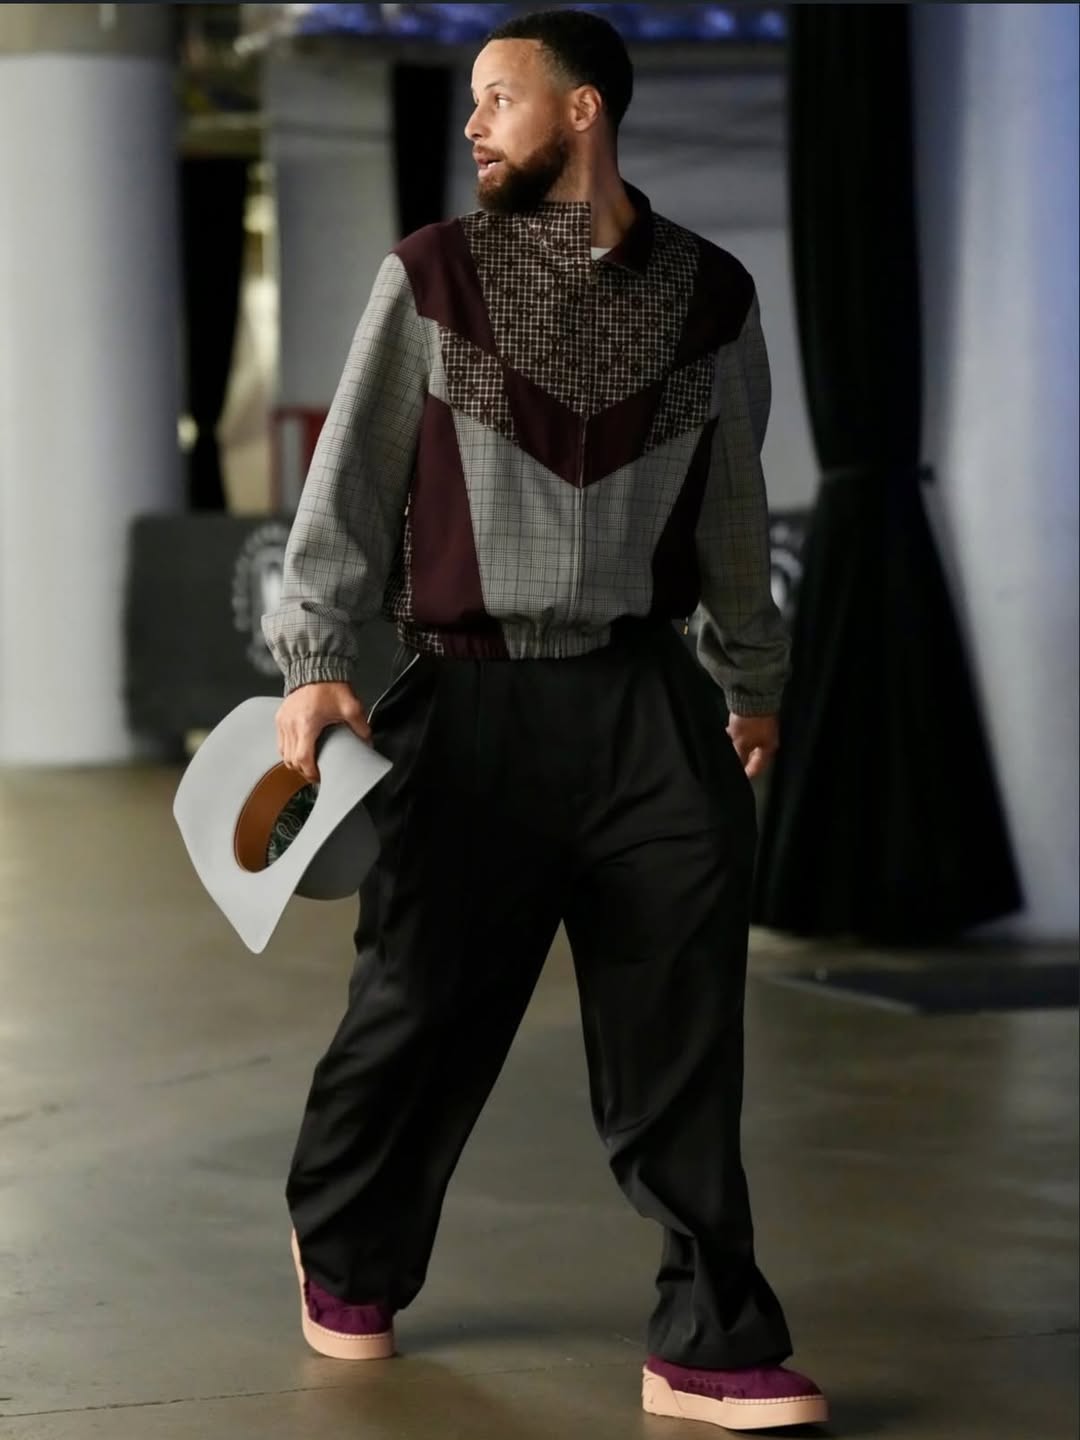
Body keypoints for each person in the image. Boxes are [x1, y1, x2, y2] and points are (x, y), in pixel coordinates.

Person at [263, 9, 826, 1431]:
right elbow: (350, 478)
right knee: (419, 1010)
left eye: (497, 97)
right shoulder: (432, 276)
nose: (474, 124)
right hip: (468, 698)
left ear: (582, 111)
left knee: (682, 1027)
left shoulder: (711, 295)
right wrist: (318, 654)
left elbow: (735, 505)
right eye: (469, 102)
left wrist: (753, 675)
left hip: (646, 703)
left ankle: (709, 1335)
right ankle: (349, 1243)